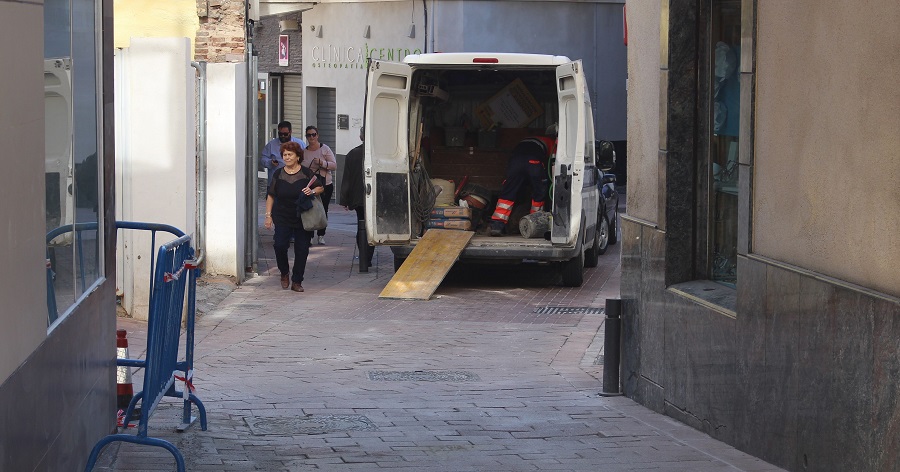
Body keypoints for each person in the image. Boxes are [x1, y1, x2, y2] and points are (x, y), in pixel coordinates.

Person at [264, 141, 325, 292]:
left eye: (290, 154)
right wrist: (268, 216)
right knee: (279, 246)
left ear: (298, 156)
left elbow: (320, 187)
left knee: (302, 249)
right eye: (285, 154)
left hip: (302, 216)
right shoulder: (278, 174)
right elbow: (271, 196)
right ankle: (284, 272)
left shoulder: (306, 173)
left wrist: (312, 192)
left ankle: (297, 281)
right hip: (282, 215)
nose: (287, 157)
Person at [489, 134, 557, 236]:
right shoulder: (551, 142)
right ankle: (535, 223)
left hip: (515, 163)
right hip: (534, 162)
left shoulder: (524, 141)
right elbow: (555, 160)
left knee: (508, 193)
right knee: (539, 194)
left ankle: (497, 226)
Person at [340, 127, 373, 271]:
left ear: (361, 137)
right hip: (374, 196)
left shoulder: (352, 154)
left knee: (361, 226)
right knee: (370, 227)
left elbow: (346, 178)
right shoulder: (377, 153)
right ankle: (367, 258)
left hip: (358, 198)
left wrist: (345, 199)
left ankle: (364, 257)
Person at [300, 125, 337, 245]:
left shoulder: (324, 149)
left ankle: (321, 235)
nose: (312, 137)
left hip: (325, 184)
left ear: (318, 135)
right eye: (309, 135)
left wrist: (322, 163)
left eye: (313, 134)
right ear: (306, 137)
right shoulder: (304, 152)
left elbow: (334, 165)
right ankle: (310, 235)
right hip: (310, 185)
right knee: (310, 209)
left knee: (322, 209)